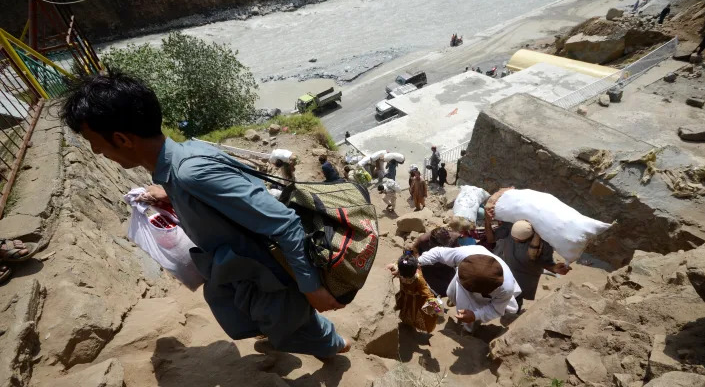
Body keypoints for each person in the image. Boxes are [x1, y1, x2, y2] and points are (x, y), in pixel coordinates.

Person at [61, 72, 349, 358]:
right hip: (246, 271)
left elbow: (284, 224)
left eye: (93, 141)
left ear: (122, 139)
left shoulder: (191, 174)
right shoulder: (184, 159)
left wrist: (312, 288)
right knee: (257, 316)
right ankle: (303, 334)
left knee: (297, 329)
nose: (96, 151)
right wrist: (171, 194)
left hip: (268, 277)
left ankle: (335, 346)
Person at [418, 246, 521, 333]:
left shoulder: (505, 288)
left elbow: (495, 309)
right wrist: (418, 262)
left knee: (470, 314)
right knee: (451, 292)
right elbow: (438, 253)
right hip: (462, 280)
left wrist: (475, 315)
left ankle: (468, 330)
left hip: (488, 296)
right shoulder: (465, 254)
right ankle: (459, 305)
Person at [485, 218, 570, 312]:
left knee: (516, 300)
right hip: (506, 272)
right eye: (513, 239)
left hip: (524, 277)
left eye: (520, 241)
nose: (515, 241)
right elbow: (490, 239)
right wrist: (487, 220)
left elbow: (545, 263)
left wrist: (554, 268)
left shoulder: (543, 244)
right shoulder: (509, 228)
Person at [388, 254, 442, 333]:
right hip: (411, 297)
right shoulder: (412, 274)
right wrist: (437, 309)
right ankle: (409, 324)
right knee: (410, 312)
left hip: (410, 297)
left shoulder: (409, 274)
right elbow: (428, 295)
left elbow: (428, 294)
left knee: (409, 311)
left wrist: (437, 308)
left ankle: (408, 325)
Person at [412, 227, 461, 296]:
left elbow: (457, 249)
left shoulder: (453, 237)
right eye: (438, 245)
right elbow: (414, 248)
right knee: (433, 288)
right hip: (430, 266)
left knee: (451, 286)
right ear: (431, 240)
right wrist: (418, 259)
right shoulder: (423, 239)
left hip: (446, 265)